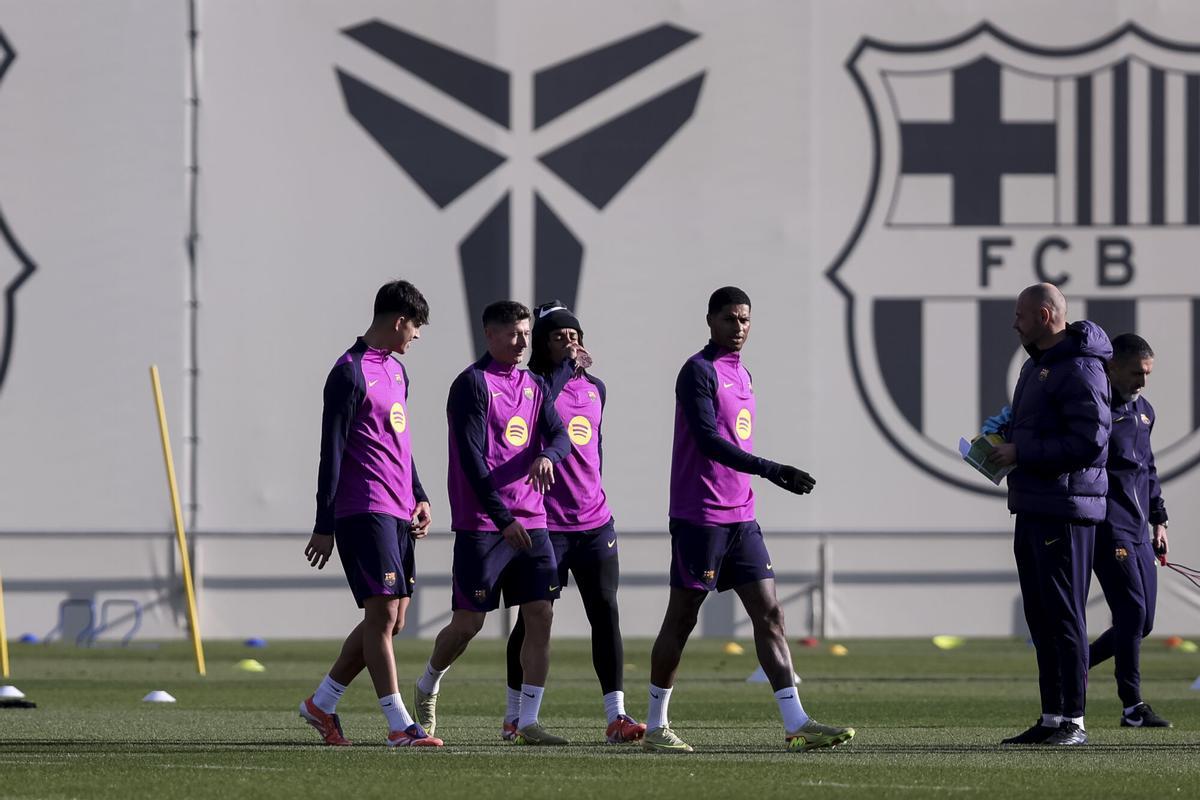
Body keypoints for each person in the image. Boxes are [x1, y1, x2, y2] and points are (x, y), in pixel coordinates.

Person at [641, 286, 855, 754]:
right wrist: (772, 469)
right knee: (681, 619)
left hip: (742, 518)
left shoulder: (744, 374)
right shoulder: (697, 372)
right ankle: (656, 725)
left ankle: (796, 720)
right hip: (701, 516)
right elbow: (708, 440)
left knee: (771, 615)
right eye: (729, 319)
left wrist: (761, 478)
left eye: (745, 320)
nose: (738, 328)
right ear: (710, 321)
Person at [413, 300, 571, 745]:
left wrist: (547, 455)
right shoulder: (471, 384)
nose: (522, 342)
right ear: (489, 334)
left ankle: (526, 721)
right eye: (513, 334)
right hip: (484, 525)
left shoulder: (535, 384)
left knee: (540, 615)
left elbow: (559, 435)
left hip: (532, 520)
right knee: (468, 625)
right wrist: (503, 520)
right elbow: (471, 459)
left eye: (525, 333)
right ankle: (428, 682)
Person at [299, 279, 441, 748]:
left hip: (399, 509)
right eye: (415, 327)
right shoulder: (347, 373)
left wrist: (418, 493)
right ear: (399, 321)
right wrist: (324, 523)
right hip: (363, 508)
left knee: (394, 620)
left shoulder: (398, 373)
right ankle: (400, 724)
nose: (417, 337)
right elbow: (331, 452)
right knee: (381, 615)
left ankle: (322, 703)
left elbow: (398, 441)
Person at [499, 301, 646, 744]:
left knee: (606, 614)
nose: (570, 342)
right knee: (532, 620)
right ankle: (514, 714)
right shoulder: (534, 385)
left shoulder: (596, 387)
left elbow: (592, 450)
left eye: (575, 336)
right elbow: (540, 407)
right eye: (560, 336)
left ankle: (616, 716)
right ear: (543, 343)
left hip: (594, 523)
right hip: (548, 524)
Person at [988, 283, 1112, 746]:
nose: (1014, 322)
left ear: (1044, 315)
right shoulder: (1036, 366)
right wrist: (1002, 436)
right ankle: (1052, 716)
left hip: (1064, 507)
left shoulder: (1080, 368)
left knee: (1064, 615)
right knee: (1041, 617)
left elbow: (1090, 443)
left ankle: (1074, 720)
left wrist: (1025, 450)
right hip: (1034, 503)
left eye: (1020, 313)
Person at [1088, 333, 1172, 727]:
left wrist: (1160, 519)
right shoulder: (1096, 411)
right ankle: (1132, 707)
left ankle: (1078, 662)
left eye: (1148, 374)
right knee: (1132, 612)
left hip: (1140, 530)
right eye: (1137, 373)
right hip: (1108, 527)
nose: (1142, 382)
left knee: (1143, 622)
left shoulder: (1144, 412)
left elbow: (1147, 469)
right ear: (1112, 367)